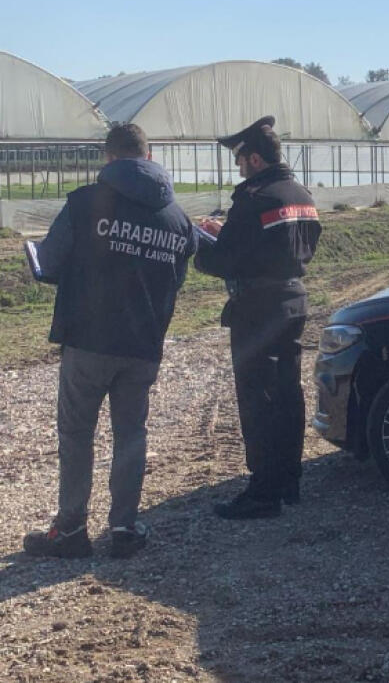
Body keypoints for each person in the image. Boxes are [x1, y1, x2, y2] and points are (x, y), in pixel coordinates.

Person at [23, 124, 197, 559]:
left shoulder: (85, 203)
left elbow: (49, 264)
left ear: (109, 158)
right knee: (131, 433)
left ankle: (70, 530)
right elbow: (177, 277)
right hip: (142, 346)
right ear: (149, 155)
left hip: (88, 340)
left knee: (77, 433)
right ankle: (124, 527)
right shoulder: (177, 217)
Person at [194, 116, 321, 519]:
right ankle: (289, 481)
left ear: (254, 159)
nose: (238, 168)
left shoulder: (256, 197)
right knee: (288, 394)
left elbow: (227, 259)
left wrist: (204, 242)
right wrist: (229, 231)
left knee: (258, 399)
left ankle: (262, 492)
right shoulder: (300, 193)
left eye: (239, 161)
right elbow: (298, 243)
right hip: (293, 299)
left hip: (257, 308)